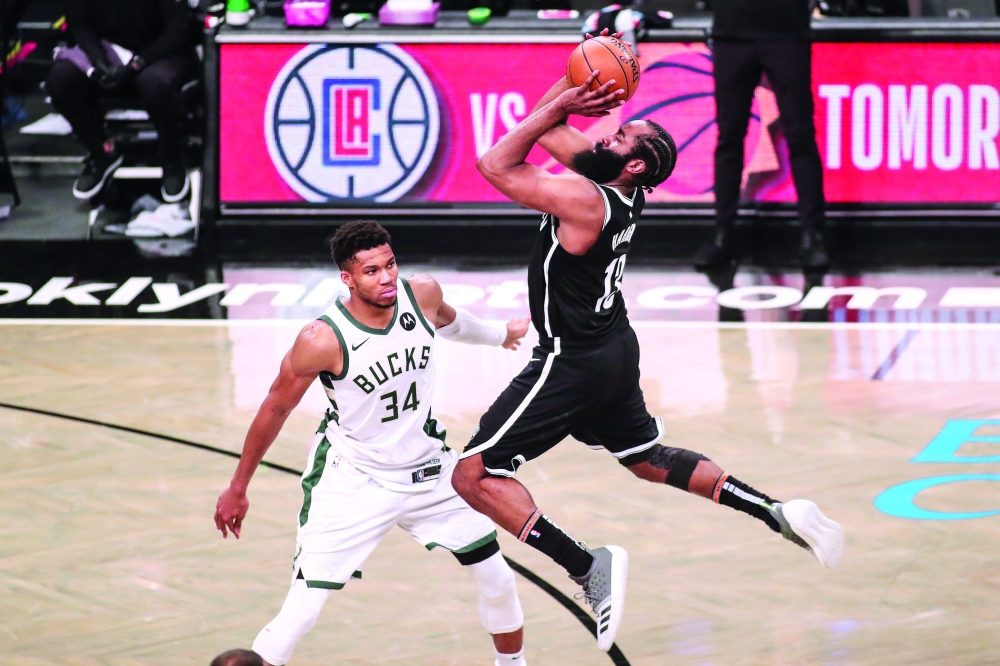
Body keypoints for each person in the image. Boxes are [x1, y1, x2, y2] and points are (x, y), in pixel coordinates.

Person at [451, 58, 845, 653]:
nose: (605, 132)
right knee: (644, 457)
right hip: (613, 347)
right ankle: (775, 510)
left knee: (474, 475)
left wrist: (562, 105)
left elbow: (495, 164)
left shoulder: (588, 200)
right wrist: (577, 85)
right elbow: (545, 122)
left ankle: (587, 566)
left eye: (618, 135)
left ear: (633, 162)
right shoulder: (617, 185)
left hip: (572, 359)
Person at [214, 221, 533, 666]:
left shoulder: (420, 294)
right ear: (347, 278)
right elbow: (274, 409)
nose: (386, 278)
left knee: (497, 577)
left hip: (428, 469)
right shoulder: (321, 339)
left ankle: (512, 664)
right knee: (303, 609)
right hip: (355, 477)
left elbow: (453, 323)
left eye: (390, 264)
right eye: (371, 271)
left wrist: (503, 336)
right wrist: (238, 487)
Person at [693, 0, 828, 283]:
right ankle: (723, 233)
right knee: (729, 138)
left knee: (800, 135)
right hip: (732, 32)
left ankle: (812, 236)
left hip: (786, 31)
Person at [48, 0, 195, 202]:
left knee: (154, 84)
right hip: (109, 55)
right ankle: (102, 151)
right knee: (60, 79)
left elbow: (178, 30)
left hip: (158, 56)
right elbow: (80, 24)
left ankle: (170, 156)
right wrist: (98, 59)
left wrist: (138, 63)